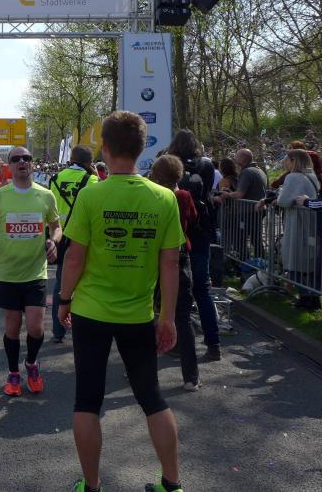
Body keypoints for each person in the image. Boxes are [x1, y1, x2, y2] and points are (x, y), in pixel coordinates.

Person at [57, 111, 184, 492]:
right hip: (138, 314)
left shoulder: (92, 194)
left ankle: (92, 485)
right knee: (152, 397)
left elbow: (74, 258)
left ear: (105, 148)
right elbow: (171, 263)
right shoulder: (164, 197)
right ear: (142, 148)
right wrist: (167, 316)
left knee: (87, 401)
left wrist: (63, 299)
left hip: (90, 311)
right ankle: (172, 484)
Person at [0, 147, 59, 396]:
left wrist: (54, 241)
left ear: (32, 164)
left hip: (36, 272)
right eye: (16, 159)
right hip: (8, 273)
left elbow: (56, 226)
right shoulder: (0, 196)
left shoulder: (46, 195)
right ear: (10, 166)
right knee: (12, 328)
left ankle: (31, 364)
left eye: (27, 158)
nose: (22, 162)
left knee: (36, 328)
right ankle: (13, 372)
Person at [167, 129, 222, 361]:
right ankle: (213, 343)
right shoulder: (206, 164)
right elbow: (208, 191)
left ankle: (178, 342)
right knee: (202, 289)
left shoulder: (170, 163)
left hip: (177, 230)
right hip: (200, 231)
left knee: (174, 290)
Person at [150, 154, 200, 391]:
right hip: (179, 256)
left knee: (148, 315)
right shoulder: (183, 196)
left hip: (153, 256)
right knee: (182, 316)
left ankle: (141, 369)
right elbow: (193, 219)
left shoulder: (154, 195)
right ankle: (191, 376)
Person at [48, 145, 98, 343]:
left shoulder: (55, 178)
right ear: (89, 162)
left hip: (62, 236)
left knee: (61, 284)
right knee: (86, 285)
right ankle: (82, 331)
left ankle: (58, 331)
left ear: (71, 159)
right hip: (84, 238)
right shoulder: (92, 180)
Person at [272, 150, 320, 309]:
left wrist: (280, 196)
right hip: (311, 222)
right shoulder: (312, 176)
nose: (285, 163)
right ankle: (314, 297)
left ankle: (305, 298)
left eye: (287, 160)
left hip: (297, 224)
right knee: (310, 260)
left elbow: (284, 201)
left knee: (296, 259)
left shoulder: (293, 177)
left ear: (294, 161)